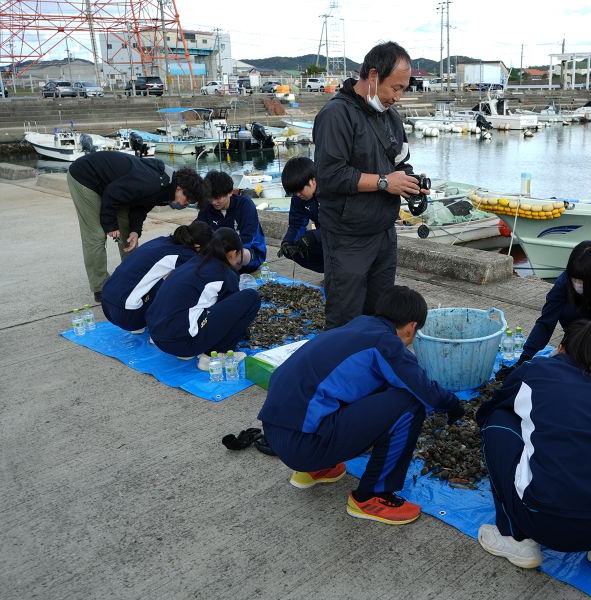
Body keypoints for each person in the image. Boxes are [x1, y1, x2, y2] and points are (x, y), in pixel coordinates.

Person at [259, 285, 463, 526]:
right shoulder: (386, 343)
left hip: (275, 432)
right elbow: (426, 392)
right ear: (412, 327)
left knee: (363, 387)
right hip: (304, 447)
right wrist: (454, 405)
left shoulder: (359, 325)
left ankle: (314, 470)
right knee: (409, 403)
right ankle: (373, 495)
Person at [476, 319, 591, 569]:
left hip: (550, 525)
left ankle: (516, 539)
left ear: (561, 347)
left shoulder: (537, 370)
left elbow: (495, 404)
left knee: (496, 420)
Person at [313, 41, 429, 329]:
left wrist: (411, 182)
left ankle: (370, 365)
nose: (398, 97)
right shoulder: (336, 115)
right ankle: (342, 368)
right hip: (347, 236)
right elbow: (330, 175)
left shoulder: (390, 117)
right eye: (396, 87)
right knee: (345, 314)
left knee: (381, 311)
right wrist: (383, 182)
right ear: (374, 76)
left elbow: (401, 162)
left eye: (403, 89)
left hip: (383, 233)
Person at [498, 240, 591, 387]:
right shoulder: (564, 282)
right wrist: (524, 358)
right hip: (579, 318)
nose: (577, 284)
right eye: (574, 279)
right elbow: (546, 321)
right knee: (566, 309)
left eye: (582, 281)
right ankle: (572, 345)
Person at [67, 152, 208, 302]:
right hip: (85, 176)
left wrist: (135, 230)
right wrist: (110, 225)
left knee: (127, 233)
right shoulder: (152, 182)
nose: (187, 204)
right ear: (179, 188)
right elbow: (112, 194)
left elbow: (140, 206)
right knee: (95, 235)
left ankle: (132, 276)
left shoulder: (165, 187)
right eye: (188, 199)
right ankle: (100, 288)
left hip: (112, 185)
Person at [145, 227, 261, 365]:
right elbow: (230, 319)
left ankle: (187, 345)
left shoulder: (193, 261)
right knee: (250, 297)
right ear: (232, 254)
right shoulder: (225, 274)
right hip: (180, 342)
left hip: (158, 337)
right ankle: (216, 355)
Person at [101, 221, 213, 333]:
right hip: (127, 315)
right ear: (197, 246)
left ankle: (140, 318)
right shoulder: (185, 254)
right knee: (181, 283)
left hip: (106, 303)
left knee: (155, 276)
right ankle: (159, 330)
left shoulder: (161, 240)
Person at [195, 171, 267, 274]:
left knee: (235, 255)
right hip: (218, 253)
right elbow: (199, 230)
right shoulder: (207, 208)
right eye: (210, 198)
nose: (214, 202)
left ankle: (226, 275)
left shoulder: (245, 205)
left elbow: (248, 237)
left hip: (248, 252)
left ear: (230, 192)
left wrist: (221, 251)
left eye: (218, 198)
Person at [278, 156, 324, 273]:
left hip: (344, 238)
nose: (298, 194)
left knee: (311, 239)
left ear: (313, 180)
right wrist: (287, 242)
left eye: (300, 190)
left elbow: (340, 225)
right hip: (324, 235)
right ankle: (329, 271)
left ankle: (338, 271)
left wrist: (314, 236)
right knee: (294, 249)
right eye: (294, 192)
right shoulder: (298, 199)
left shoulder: (330, 192)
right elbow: (296, 225)